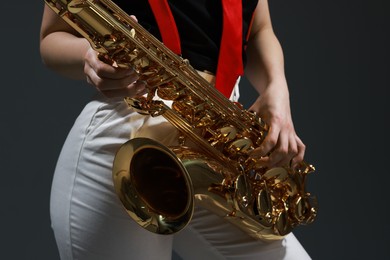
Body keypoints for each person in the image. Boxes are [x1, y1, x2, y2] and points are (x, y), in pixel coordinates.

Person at [40, 0, 310, 259]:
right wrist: (89, 57)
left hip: (218, 141)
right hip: (125, 140)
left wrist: (277, 88)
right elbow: (51, 37)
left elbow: (259, 28)